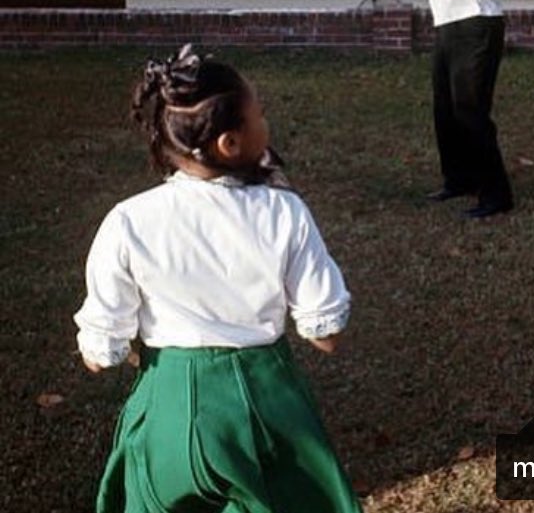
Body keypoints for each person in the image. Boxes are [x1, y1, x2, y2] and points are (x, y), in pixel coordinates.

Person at [74, 44, 362, 513]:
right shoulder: (284, 212)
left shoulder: (127, 220)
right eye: (261, 115)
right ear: (229, 143)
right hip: (268, 406)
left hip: (166, 409)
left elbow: (100, 354)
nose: (267, 124)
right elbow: (325, 334)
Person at [399, 0, 514, 219]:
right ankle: (461, 179)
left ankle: (496, 195)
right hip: (450, 24)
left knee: (470, 112)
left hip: (475, 26)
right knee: (446, 110)